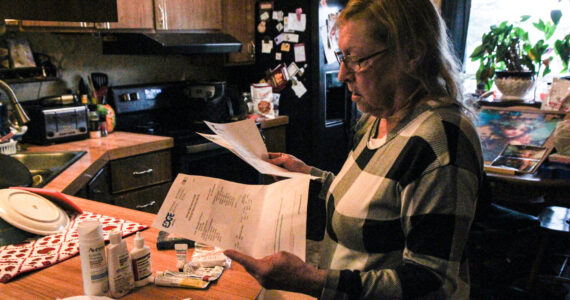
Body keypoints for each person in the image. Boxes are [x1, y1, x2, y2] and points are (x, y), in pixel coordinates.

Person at [224, 0, 484, 298]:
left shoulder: (439, 140)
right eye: (341, 56)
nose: (341, 74)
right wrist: (309, 176)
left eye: (357, 59)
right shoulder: (376, 118)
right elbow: (375, 203)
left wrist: (314, 281)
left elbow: (433, 282)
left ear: (412, 54)